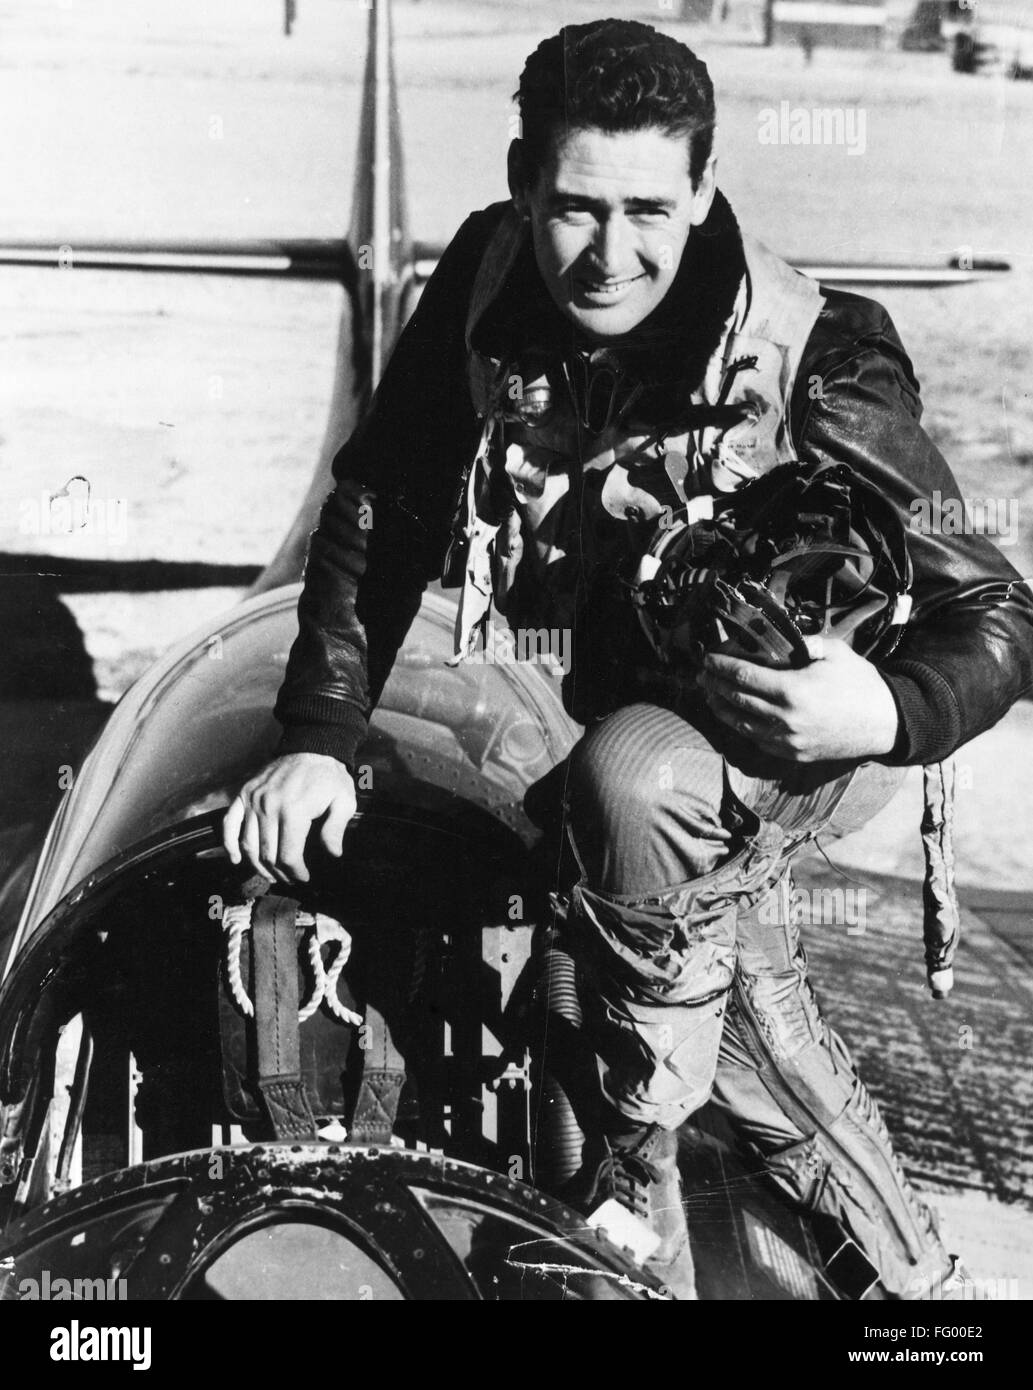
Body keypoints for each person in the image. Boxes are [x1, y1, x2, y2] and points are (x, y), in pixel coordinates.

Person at [223, 19, 1033, 1299]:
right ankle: (919, 1295)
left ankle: (626, 1219)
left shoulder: (820, 361)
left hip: (793, 734)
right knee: (599, 907)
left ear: (704, 190)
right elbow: (382, 498)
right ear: (519, 182)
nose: (612, 255)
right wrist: (319, 735)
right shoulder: (488, 282)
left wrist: (876, 702)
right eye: (575, 209)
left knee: (635, 789)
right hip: (603, 689)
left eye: (652, 209)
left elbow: (997, 616)